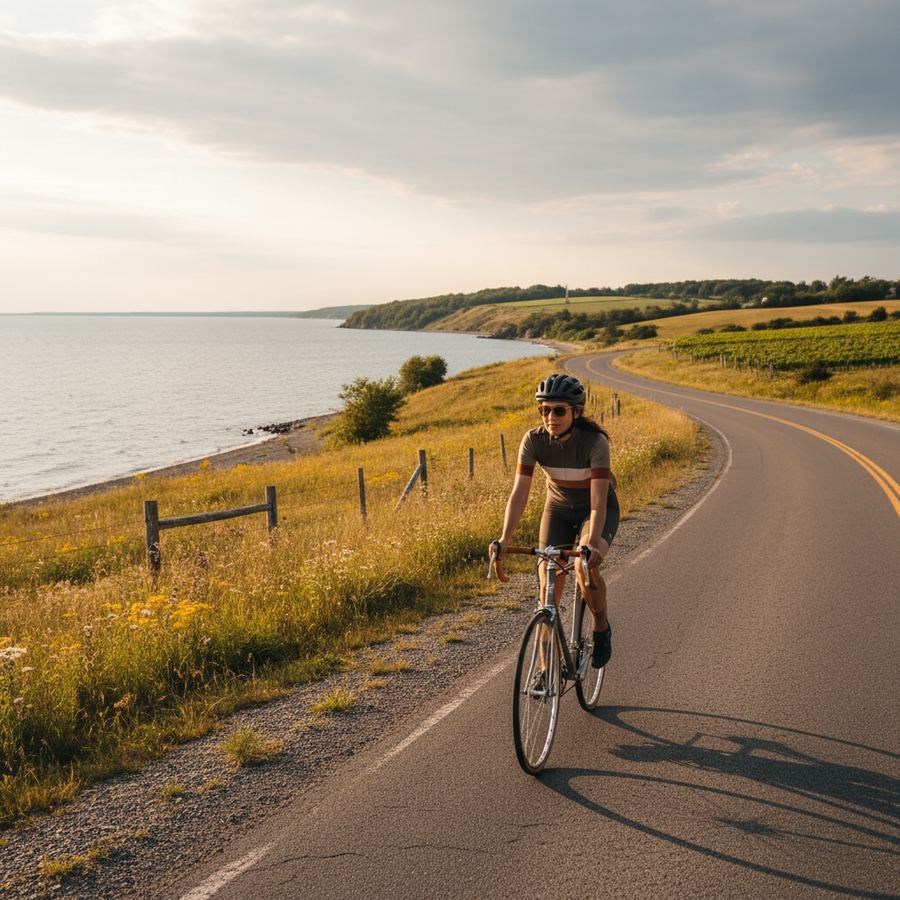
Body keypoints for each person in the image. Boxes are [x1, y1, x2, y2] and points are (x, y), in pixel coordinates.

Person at [492, 373, 619, 667]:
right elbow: (519, 494)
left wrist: (590, 546)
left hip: (596, 510)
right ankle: (547, 669)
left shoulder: (595, 442)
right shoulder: (533, 441)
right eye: (544, 410)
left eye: (559, 410)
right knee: (547, 588)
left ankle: (601, 625)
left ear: (576, 411)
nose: (551, 417)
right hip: (558, 509)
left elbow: (599, 503)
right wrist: (504, 540)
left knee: (582, 566)